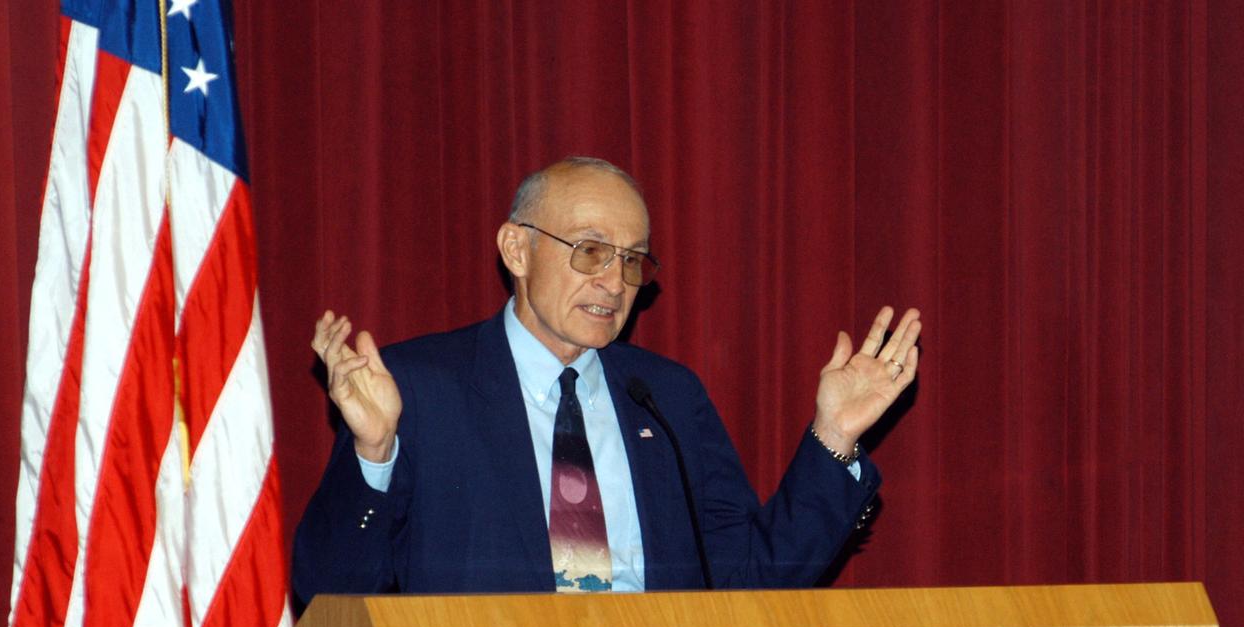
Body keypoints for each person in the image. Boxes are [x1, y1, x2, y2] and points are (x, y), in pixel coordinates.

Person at [292, 157, 919, 603]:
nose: (614, 282)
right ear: (516, 250)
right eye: (590, 251)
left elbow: (749, 580)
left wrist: (833, 436)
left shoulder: (667, 398)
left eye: (631, 260)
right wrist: (373, 455)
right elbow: (328, 585)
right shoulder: (419, 389)